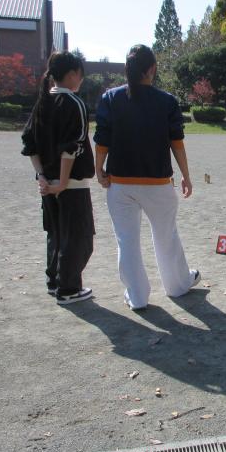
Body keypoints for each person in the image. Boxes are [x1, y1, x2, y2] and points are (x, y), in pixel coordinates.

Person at [93, 44, 200, 310]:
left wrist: (99, 170)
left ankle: (137, 296)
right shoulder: (167, 101)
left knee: (126, 240)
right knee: (166, 236)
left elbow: (102, 140)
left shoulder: (110, 98)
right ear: (152, 69)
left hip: (121, 183)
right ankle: (177, 285)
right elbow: (177, 143)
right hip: (157, 184)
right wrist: (186, 176)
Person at [21, 51, 95, 305]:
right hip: (70, 185)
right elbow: (70, 149)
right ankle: (68, 288)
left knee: (56, 234)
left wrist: (42, 177)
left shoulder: (42, 103)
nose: (81, 81)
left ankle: (55, 282)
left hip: (48, 185)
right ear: (73, 74)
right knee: (79, 237)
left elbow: (30, 144)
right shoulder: (74, 104)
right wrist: (62, 183)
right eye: (80, 75)